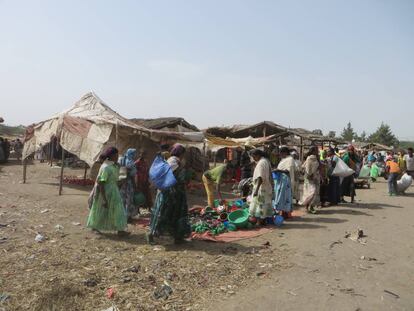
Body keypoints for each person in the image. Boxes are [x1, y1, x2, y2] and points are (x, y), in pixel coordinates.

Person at [147, 144, 191, 244]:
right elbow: (166, 174)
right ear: (181, 153)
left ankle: (178, 236)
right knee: (163, 214)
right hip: (171, 194)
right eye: (184, 153)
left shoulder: (175, 160)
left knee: (176, 214)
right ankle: (152, 235)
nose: (184, 155)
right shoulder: (174, 161)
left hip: (177, 194)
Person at [87, 147, 129, 236]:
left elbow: (116, 178)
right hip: (105, 192)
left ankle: (120, 230)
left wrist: (121, 180)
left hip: (114, 190)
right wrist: (104, 198)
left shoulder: (114, 166)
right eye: (116, 155)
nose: (118, 157)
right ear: (112, 156)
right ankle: (94, 227)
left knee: (118, 209)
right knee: (101, 210)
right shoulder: (106, 167)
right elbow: (101, 183)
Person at [249, 149, 274, 225]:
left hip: (261, 187)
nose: (253, 159)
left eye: (254, 157)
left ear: (258, 155)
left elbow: (260, 177)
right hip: (266, 186)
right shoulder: (266, 161)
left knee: (260, 204)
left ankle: (259, 221)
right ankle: (263, 220)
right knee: (265, 203)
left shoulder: (261, 163)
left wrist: (256, 190)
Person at [274, 147, 295, 217]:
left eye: (281, 153)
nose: (280, 155)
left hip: (286, 181)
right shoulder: (283, 159)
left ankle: (285, 212)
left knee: (285, 196)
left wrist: (278, 170)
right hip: (280, 180)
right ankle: (282, 211)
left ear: (285, 152)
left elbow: (288, 171)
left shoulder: (290, 159)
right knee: (280, 196)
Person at [118, 148, 138, 221]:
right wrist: (135, 186)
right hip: (128, 183)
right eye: (134, 153)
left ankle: (121, 215)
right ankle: (127, 216)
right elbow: (132, 175)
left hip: (121, 182)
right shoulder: (130, 162)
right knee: (129, 200)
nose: (135, 155)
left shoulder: (122, 159)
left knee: (122, 199)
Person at [300, 146, 321, 214]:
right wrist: (310, 174)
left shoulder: (316, 158)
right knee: (311, 192)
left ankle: (310, 206)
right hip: (310, 177)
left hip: (315, 177)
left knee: (314, 192)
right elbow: (306, 167)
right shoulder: (310, 158)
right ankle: (308, 206)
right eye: (316, 150)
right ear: (313, 151)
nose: (317, 151)